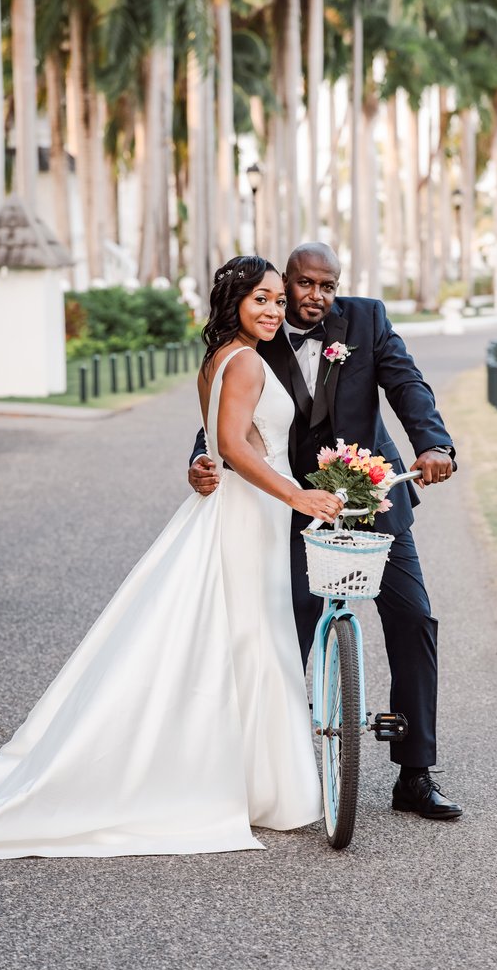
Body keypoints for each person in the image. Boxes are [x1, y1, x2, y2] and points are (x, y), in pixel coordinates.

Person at [0, 255, 342, 859]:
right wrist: (298, 495)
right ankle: (253, 787)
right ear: (234, 302)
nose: (272, 310)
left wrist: (232, 474)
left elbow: (218, 444)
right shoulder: (243, 363)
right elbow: (236, 448)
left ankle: (244, 778)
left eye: (276, 301)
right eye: (260, 300)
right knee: (252, 638)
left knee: (248, 636)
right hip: (249, 511)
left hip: (244, 511)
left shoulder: (219, 358)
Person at [190, 242, 463, 821]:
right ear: (283, 282)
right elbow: (229, 412)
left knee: (413, 616)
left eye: (327, 285)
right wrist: (202, 457)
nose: (315, 296)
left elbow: (407, 384)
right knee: (285, 620)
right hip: (289, 501)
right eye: (304, 284)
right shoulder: (258, 329)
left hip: (372, 494)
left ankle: (415, 774)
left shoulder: (366, 319)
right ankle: (278, 767)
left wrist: (432, 443)